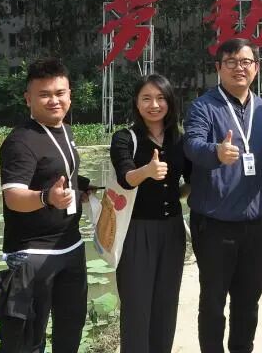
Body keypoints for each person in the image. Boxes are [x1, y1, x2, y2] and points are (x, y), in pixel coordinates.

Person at [183, 38, 262, 353]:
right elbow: (192, 145)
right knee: (213, 301)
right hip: (214, 224)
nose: (239, 68)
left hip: (254, 225)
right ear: (218, 67)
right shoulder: (203, 107)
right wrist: (216, 152)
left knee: (248, 301)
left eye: (245, 62)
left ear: (256, 67)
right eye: (231, 62)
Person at [0, 58, 92, 353]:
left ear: (70, 94)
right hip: (33, 254)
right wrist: (46, 197)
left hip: (71, 246)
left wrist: (80, 191)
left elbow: (59, 174)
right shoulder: (20, 141)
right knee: (26, 342)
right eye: (45, 94)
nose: (54, 100)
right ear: (28, 98)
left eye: (60, 93)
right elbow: (13, 197)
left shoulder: (67, 131)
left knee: (70, 333)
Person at [109, 74, 192, 352]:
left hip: (172, 231)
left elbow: (190, 182)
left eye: (160, 98)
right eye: (146, 98)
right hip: (136, 231)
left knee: (166, 307)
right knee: (136, 308)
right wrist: (147, 171)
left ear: (170, 102)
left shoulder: (179, 140)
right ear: (136, 102)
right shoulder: (125, 138)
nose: (154, 105)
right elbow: (125, 178)